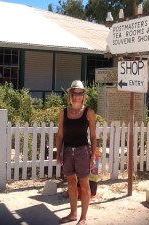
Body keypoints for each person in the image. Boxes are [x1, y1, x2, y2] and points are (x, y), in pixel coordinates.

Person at [56, 80, 97, 225]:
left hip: (83, 152)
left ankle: (83, 218)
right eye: (75, 93)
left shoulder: (89, 112)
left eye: (80, 93)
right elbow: (60, 134)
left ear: (83, 95)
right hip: (67, 151)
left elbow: (93, 136)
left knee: (84, 185)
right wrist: (58, 153)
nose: (77, 96)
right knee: (71, 184)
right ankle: (73, 214)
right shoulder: (63, 112)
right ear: (71, 94)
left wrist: (94, 156)